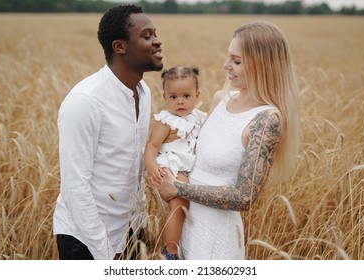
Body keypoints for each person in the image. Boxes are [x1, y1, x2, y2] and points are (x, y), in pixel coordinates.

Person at [154, 22, 300, 259]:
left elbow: (245, 197)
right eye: (228, 57)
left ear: (262, 65)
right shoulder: (220, 99)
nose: (226, 66)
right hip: (183, 225)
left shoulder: (266, 120)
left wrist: (178, 188)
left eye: (236, 61)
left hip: (215, 237)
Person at [53, 5, 163, 260]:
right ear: (119, 46)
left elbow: (133, 167)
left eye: (155, 34)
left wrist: (140, 224)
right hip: (86, 240)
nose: (157, 41)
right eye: (147, 36)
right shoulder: (86, 101)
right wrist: (102, 252)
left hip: (130, 232)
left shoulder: (143, 92)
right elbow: (75, 186)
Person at [144, 66, 207, 260]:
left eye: (186, 96)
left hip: (187, 167)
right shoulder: (166, 121)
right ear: (164, 96)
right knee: (180, 199)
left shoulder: (198, 117)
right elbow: (152, 146)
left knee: (189, 200)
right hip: (170, 165)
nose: (180, 101)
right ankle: (170, 250)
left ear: (197, 95)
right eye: (173, 97)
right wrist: (152, 167)